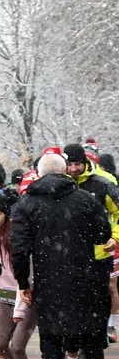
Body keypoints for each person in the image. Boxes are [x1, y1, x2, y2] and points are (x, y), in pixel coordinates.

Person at [13, 151, 112, 359]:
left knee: (51, 336)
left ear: (39, 174)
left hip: (49, 278)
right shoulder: (85, 199)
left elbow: (20, 249)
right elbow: (103, 234)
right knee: (91, 335)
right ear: (66, 171)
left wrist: (24, 283)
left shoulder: (27, 204)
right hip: (85, 275)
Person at [64, 143, 119, 347]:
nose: (73, 169)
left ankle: (98, 338)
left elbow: (118, 212)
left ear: (85, 162)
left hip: (99, 254)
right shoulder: (60, 185)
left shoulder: (102, 184)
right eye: (69, 164)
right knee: (73, 304)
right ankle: (73, 353)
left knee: (99, 300)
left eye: (77, 164)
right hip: (67, 255)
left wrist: (115, 237)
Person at [0, 193, 36, 359]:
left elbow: (24, 277)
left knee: (18, 345)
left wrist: (19, 309)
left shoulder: (15, 238)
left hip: (26, 298)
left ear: (6, 215)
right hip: (5, 298)